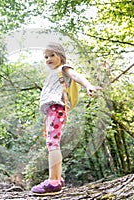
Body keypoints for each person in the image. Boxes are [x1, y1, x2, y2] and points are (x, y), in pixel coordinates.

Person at [31, 42, 102, 196]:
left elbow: (76, 76)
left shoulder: (64, 68)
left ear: (61, 56)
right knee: (51, 143)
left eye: (52, 55)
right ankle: (57, 178)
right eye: (46, 57)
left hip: (57, 108)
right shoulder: (54, 73)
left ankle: (54, 182)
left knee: (52, 144)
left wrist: (88, 85)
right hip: (52, 110)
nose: (48, 59)